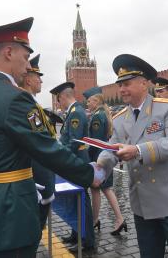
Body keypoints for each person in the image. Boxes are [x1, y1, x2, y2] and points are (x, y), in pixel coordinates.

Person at [0, 17, 103, 258]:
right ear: (8, 52)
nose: (28, 66)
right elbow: (47, 149)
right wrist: (91, 175)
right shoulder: (14, 98)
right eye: (25, 57)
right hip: (12, 208)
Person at [97, 54, 168, 258]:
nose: (121, 89)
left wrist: (138, 150)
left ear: (144, 83)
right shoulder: (119, 119)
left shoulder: (167, 108)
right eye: (120, 85)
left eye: (126, 83)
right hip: (143, 202)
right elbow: (112, 148)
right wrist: (99, 166)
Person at [50, 82, 96, 253]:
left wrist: (59, 157)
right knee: (75, 201)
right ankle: (76, 233)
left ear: (63, 97)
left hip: (76, 163)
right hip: (74, 163)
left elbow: (74, 142)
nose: (58, 103)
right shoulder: (73, 112)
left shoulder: (76, 113)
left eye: (58, 99)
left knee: (81, 202)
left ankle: (86, 240)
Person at [19, 53, 56, 229]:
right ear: (28, 80)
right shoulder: (29, 107)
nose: (41, 82)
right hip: (38, 179)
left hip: (42, 176)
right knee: (33, 230)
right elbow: (40, 142)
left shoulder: (34, 105)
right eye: (38, 78)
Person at [83, 86, 126, 235]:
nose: (87, 104)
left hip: (99, 158)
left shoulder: (97, 116)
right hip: (106, 156)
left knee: (101, 189)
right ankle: (98, 220)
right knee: (101, 189)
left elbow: (96, 141)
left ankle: (115, 219)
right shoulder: (103, 114)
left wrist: (86, 155)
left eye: (89, 101)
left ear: (96, 101)